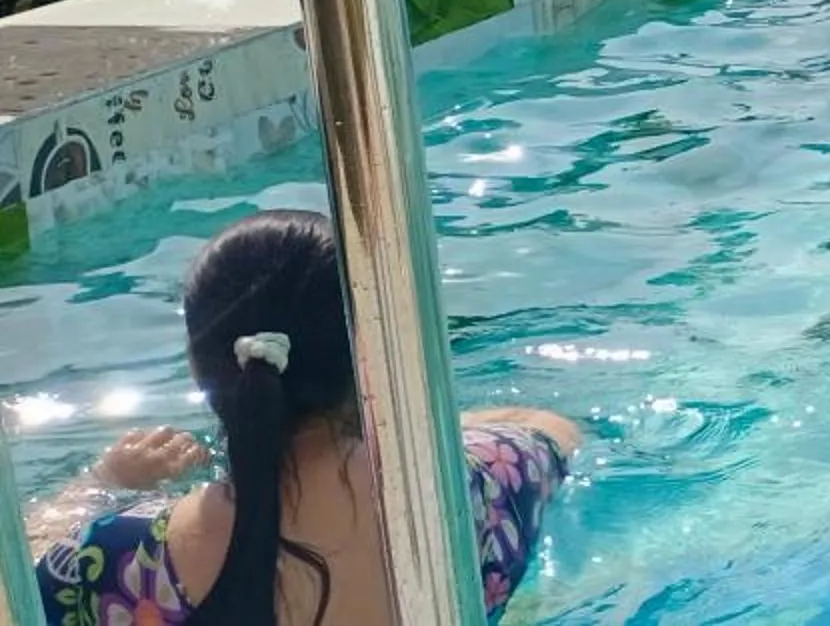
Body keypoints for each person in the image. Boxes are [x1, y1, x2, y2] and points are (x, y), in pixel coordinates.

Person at [23, 209, 584, 625]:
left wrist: (100, 484)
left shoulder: (125, 559)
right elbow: (555, 430)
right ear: (363, 358)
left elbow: (15, 588)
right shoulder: (475, 490)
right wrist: (416, 436)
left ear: (201, 367)